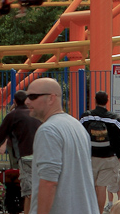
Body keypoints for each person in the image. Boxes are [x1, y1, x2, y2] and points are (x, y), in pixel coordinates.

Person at [26, 77, 94, 214]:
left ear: (51, 98)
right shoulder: (77, 126)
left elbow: (49, 182)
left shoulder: (48, 130)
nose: (27, 101)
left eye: (33, 97)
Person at [0, 89, 41, 214]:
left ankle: (28, 211)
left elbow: (0, 135)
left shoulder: (12, 115)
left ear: (14, 101)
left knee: (27, 189)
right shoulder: (36, 113)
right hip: (41, 155)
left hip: (25, 156)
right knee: (39, 185)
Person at [81, 90, 120, 213]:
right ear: (107, 101)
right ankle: (99, 211)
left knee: (91, 186)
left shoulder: (86, 117)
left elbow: (79, 134)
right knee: (102, 187)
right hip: (108, 157)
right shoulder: (114, 118)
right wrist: (119, 154)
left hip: (90, 157)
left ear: (95, 100)